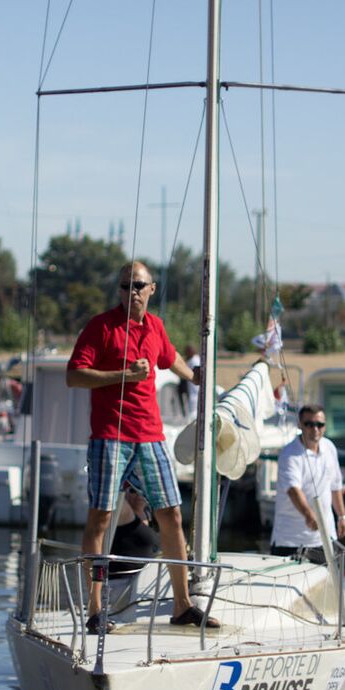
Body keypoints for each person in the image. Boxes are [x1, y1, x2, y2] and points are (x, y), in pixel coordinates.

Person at [67, 259, 218, 633]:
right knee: (101, 517)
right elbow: (74, 375)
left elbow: (169, 357)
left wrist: (195, 377)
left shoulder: (155, 327)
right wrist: (124, 374)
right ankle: (95, 610)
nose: (130, 292)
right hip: (110, 435)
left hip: (150, 435)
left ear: (152, 289)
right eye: (124, 286)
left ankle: (182, 606)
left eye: (137, 286)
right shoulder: (101, 327)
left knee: (171, 514)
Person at [270, 404, 345, 559]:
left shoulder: (329, 447)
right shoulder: (289, 454)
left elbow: (335, 486)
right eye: (309, 424)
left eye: (320, 425)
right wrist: (308, 515)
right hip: (290, 542)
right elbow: (293, 490)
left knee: (330, 582)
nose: (315, 429)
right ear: (300, 425)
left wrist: (342, 516)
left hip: (325, 539)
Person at [180, 343, 201, 419]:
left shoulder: (193, 361)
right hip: (193, 392)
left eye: (186, 352)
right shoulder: (194, 360)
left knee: (193, 415)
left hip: (195, 393)